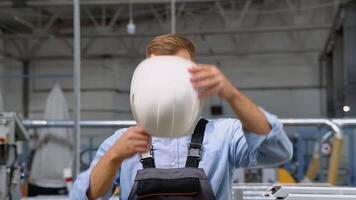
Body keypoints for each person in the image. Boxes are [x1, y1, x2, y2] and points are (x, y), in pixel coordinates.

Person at [70, 34, 293, 200]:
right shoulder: (122, 141)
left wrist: (231, 94)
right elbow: (82, 196)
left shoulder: (224, 135)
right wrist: (114, 156)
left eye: (176, 74)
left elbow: (277, 151)